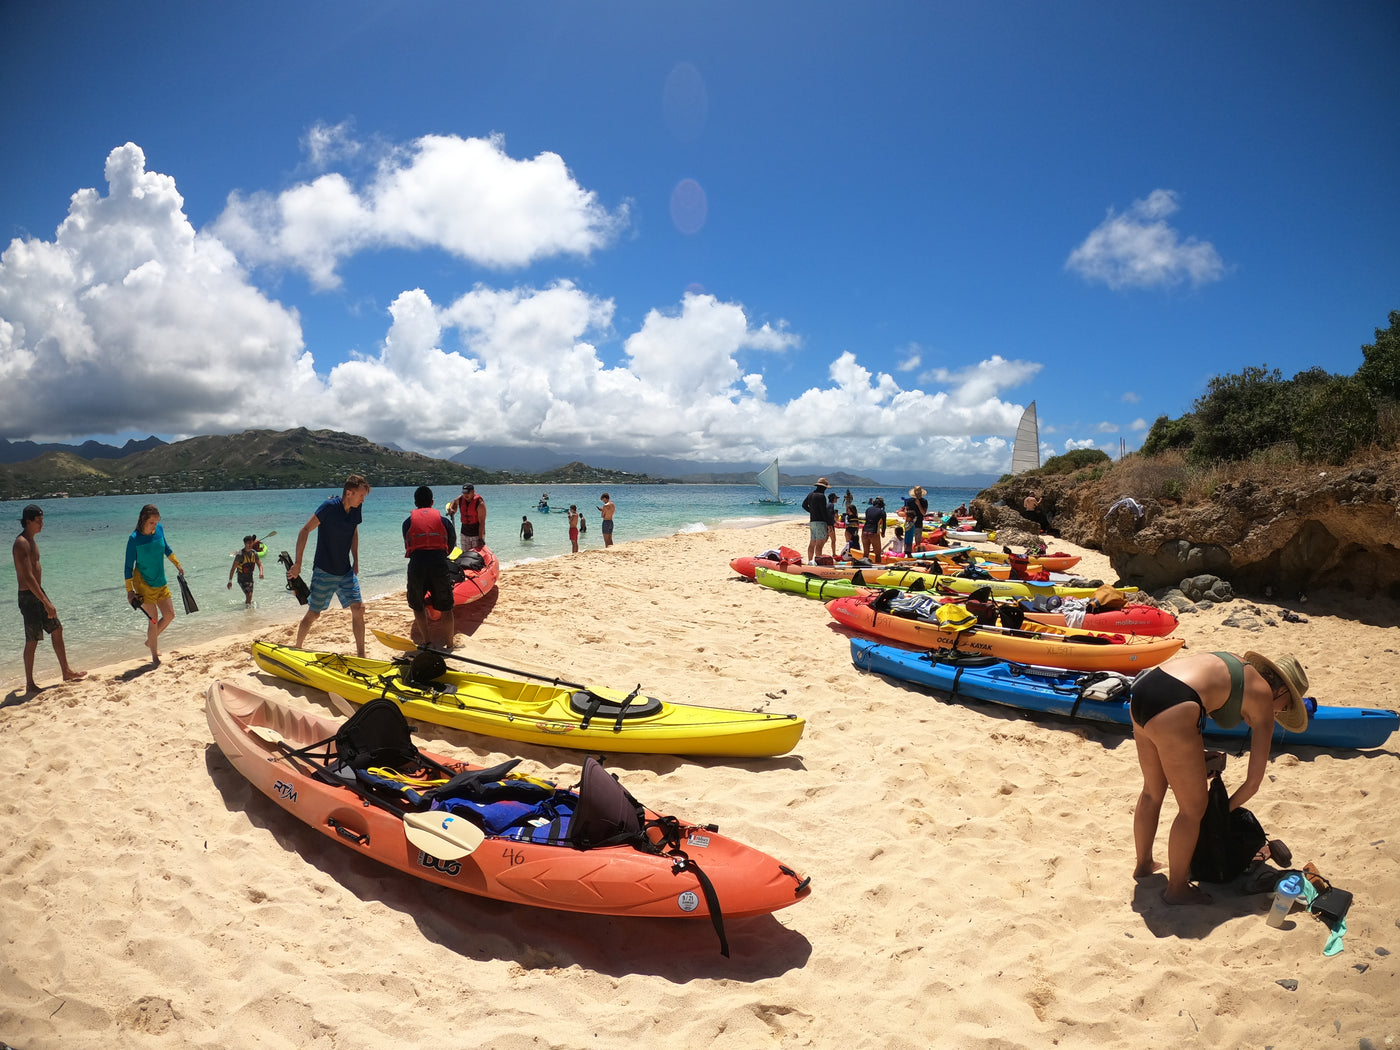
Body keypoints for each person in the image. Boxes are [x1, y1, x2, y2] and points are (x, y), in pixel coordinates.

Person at [1130, 650, 1309, 905]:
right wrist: (1219, 813)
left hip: (1146, 689)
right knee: (1193, 810)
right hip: (1176, 705)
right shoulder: (1265, 697)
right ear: (1281, 692)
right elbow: (1253, 783)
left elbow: (1193, 693)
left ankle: (1144, 865)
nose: (1280, 713)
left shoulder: (1240, 670)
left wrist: (1197, 758)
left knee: (1152, 790)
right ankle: (1177, 889)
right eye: (1287, 707)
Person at [289, 475, 371, 657]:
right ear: (349, 493)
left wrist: (355, 559)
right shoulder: (329, 508)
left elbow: (353, 530)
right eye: (361, 495)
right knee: (314, 614)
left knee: (359, 609)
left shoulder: (356, 508)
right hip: (324, 570)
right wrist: (298, 563)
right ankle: (298, 647)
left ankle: (361, 654)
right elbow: (304, 530)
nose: (363, 499)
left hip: (345, 571)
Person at [13, 505, 84, 691]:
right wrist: (46, 602)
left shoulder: (31, 541)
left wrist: (44, 598)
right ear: (28, 521)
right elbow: (27, 577)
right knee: (32, 639)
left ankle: (66, 671)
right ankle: (29, 683)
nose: (42, 524)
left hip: (38, 593)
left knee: (57, 629)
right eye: (38, 521)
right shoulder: (21, 543)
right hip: (29, 597)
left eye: (42, 520)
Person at [123, 504, 183, 664]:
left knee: (170, 615)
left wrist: (177, 563)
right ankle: (154, 656)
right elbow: (128, 567)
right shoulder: (134, 539)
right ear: (143, 520)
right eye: (151, 523)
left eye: (156, 522)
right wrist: (130, 591)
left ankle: (151, 640)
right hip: (143, 584)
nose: (154, 526)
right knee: (154, 619)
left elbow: (166, 548)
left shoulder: (160, 530)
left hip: (160, 580)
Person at [403, 485, 456, 650]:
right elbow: (451, 544)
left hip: (417, 565)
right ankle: (450, 644)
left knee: (418, 605)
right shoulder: (444, 521)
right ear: (432, 502)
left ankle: (427, 642)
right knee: (446, 607)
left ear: (415, 503)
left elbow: (407, 541)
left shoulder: (407, 522)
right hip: (438, 564)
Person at [227, 534, 265, 606]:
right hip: (242, 578)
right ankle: (248, 611)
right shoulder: (240, 555)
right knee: (249, 594)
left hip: (250, 577)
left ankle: (248, 611)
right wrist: (230, 581)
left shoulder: (254, 553)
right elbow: (233, 569)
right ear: (245, 544)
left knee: (249, 596)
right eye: (248, 544)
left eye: (251, 543)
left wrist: (261, 573)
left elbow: (260, 564)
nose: (250, 545)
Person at [447, 483, 486, 550]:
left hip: (475, 533)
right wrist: (451, 509)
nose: (465, 495)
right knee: (465, 554)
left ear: (473, 492)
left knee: (476, 555)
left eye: (467, 493)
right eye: (464, 493)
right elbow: (454, 502)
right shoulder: (461, 499)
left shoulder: (479, 504)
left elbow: (482, 522)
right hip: (464, 532)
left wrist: (480, 538)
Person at [801, 478, 831, 562]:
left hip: (813, 521)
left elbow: (804, 505)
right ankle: (818, 562)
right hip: (821, 522)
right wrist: (828, 523)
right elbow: (823, 511)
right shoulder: (822, 496)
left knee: (812, 543)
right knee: (819, 544)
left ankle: (810, 561)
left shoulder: (810, 494)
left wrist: (812, 512)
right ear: (824, 488)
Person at [861, 497, 887, 563]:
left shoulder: (868, 509)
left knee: (866, 553)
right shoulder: (882, 512)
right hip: (873, 532)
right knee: (877, 554)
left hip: (864, 531)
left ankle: (864, 567)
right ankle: (878, 569)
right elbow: (884, 524)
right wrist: (883, 533)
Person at [903, 486, 927, 551]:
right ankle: (908, 552)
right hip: (910, 522)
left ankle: (917, 552)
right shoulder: (910, 501)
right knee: (908, 540)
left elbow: (924, 513)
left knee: (918, 541)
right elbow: (906, 511)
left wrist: (919, 505)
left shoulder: (924, 501)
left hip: (918, 522)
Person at [826, 491, 841, 558]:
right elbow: (829, 515)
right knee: (833, 540)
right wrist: (833, 523)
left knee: (825, 539)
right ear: (833, 499)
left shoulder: (827, 504)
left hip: (826, 524)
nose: (837, 499)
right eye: (836, 498)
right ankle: (834, 553)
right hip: (829, 525)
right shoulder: (831, 505)